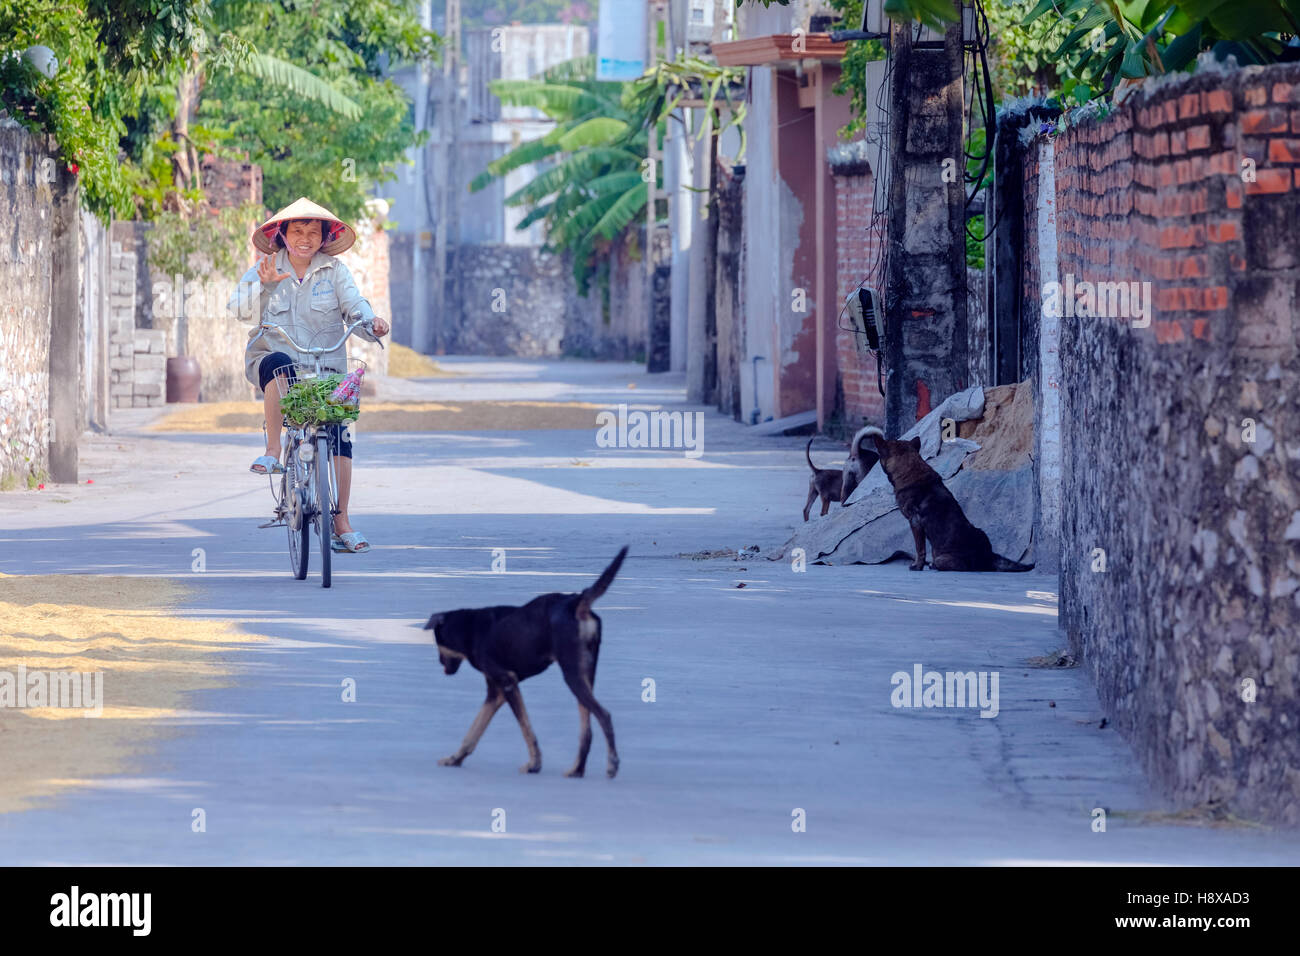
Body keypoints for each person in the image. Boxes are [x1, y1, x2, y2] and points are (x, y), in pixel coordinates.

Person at [227, 197, 390, 554]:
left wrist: (372, 323)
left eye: (313, 232)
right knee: (279, 360)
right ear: (282, 234)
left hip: (325, 368)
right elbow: (239, 310)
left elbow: (355, 306)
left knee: (341, 433)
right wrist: (266, 286)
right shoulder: (264, 267)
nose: (305, 238)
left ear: (323, 236)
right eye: (297, 230)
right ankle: (272, 451)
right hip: (276, 365)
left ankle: (341, 520)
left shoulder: (335, 271)